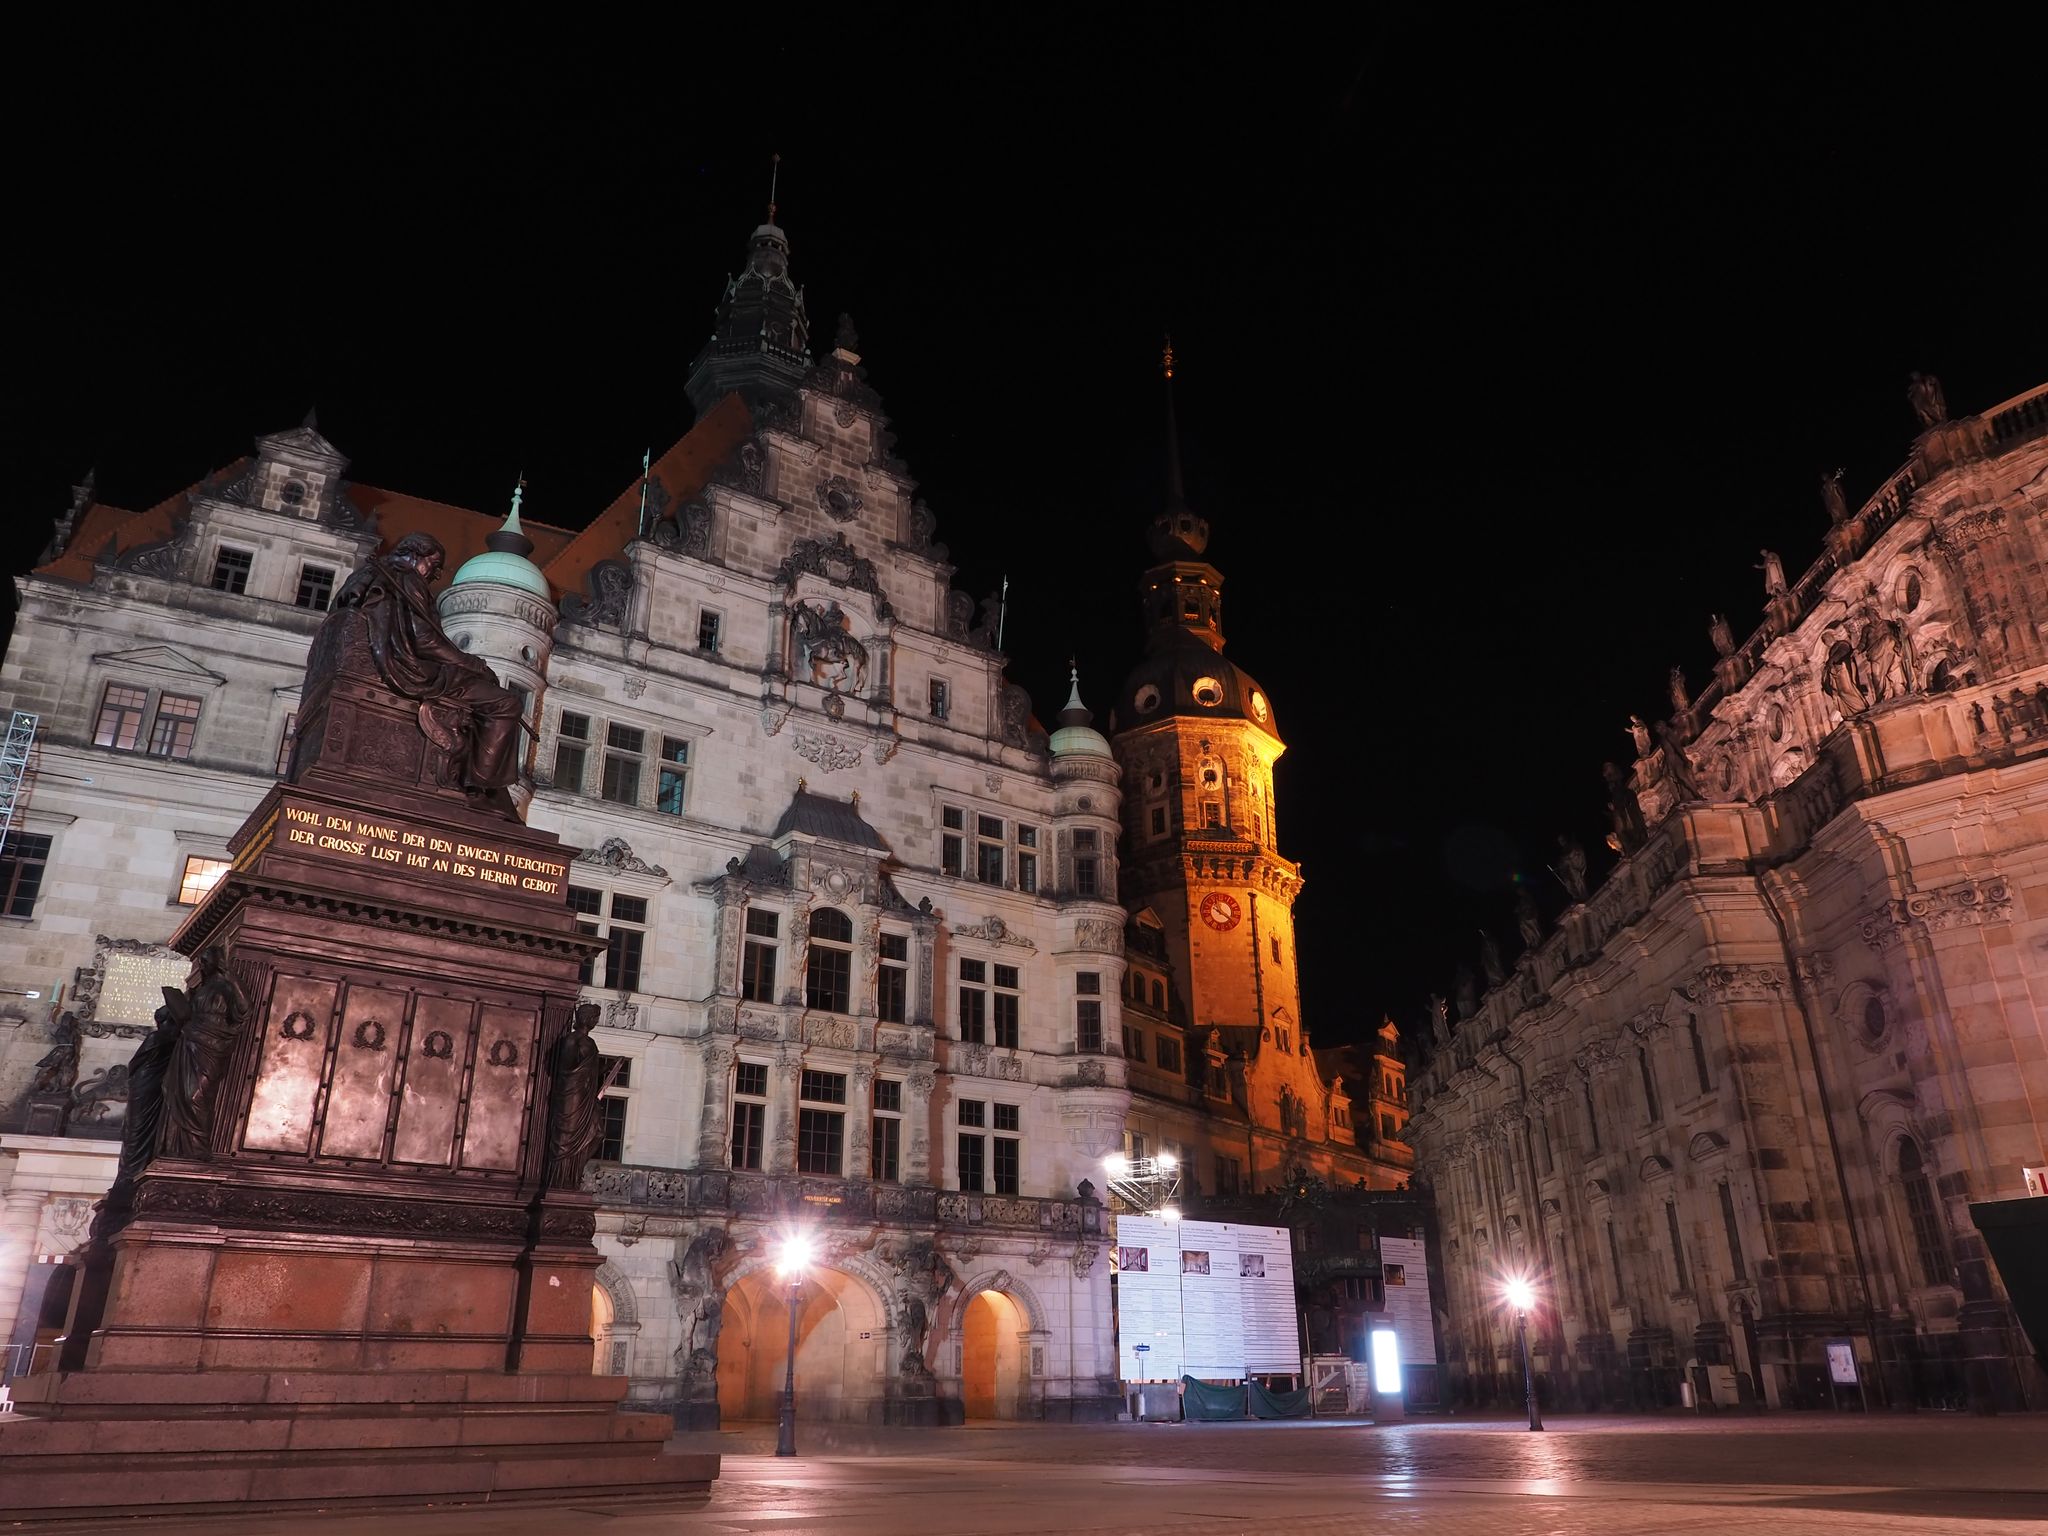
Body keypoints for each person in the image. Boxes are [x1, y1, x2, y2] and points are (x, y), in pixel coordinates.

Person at [330, 533, 526, 794]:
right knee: (505, 703)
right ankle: (481, 787)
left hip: (385, 658)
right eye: (433, 566)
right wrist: (473, 664)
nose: (434, 575)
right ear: (414, 556)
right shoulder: (407, 578)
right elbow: (424, 640)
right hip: (405, 667)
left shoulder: (365, 576)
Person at [156, 946, 250, 1160]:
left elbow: (245, 1008)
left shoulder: (227, 985)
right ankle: (177, 1150)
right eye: (201, 962)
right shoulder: (202, 988)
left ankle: (195, 1152)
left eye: (206, 961)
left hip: (213, 1044)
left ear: (217, 962)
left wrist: (230, 976)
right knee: (177, 1093)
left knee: (195, 1098)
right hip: (190, 1043)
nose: (203, 966)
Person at [544, 1002, 609, 1189]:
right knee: (567, 1138)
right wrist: (583, 1073)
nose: (596, 1021)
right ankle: (561, 1180)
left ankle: (575, 1173)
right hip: (572, 1094)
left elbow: (586, 1069)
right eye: (595, 1017)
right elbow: (565, 1067)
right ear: (587, 1018)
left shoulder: (590, 1042)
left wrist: (604, 1069)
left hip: (585, 1094)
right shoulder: (572, 1039)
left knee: (598, 1133)